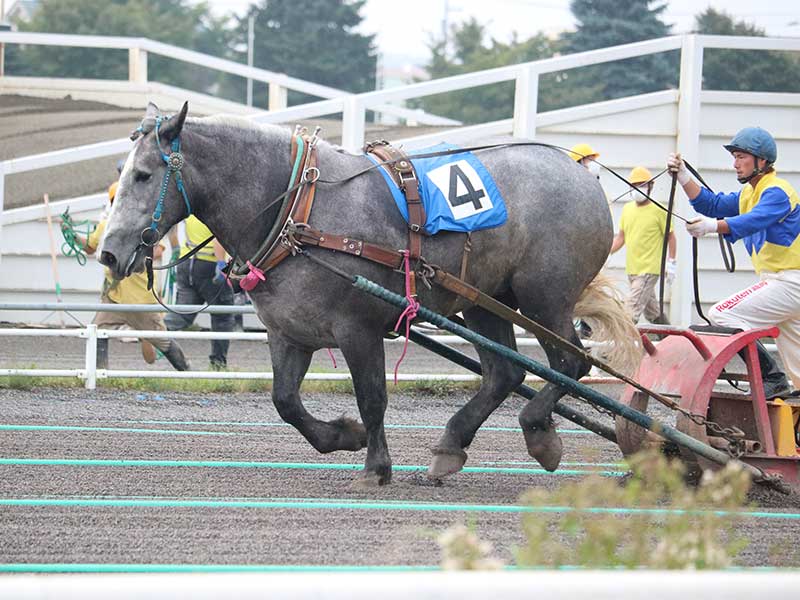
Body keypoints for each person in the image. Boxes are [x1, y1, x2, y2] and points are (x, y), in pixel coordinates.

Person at [668, 126, 799, 399]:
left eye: (741, 157)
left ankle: (771, 378)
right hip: (783, 285)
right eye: (735, 157)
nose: (735, 164)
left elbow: (754, 220)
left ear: (761, 161)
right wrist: (683, 177)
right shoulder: (750, 194)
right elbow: (712, 204)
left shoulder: (776, 192)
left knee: (723, 314)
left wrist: (712, 227)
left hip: (789, 282)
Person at [70, 181, 191, 371]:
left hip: (140, 301)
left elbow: (158, 251)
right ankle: (99, 374)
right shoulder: (105, 227)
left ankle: (187, 372)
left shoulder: (143, 228)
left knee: (162, 342)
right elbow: (90, 247)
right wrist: (73, 235)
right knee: (97, 332)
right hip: (115, 297)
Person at [165, 215, 234, 370]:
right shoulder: (215, 205)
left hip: (186, 261)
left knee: (183, 314)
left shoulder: (191, 207)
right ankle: (218, 365)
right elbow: (219, 235)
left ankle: (156, 332)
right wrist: (221, 263)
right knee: (222, 316)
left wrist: (176, 249)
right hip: (210, 263)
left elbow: (171, 225)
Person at [609, 166, 676, 324]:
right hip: (633, 269)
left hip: (649, 269)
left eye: (642, 185)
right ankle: (671, 340)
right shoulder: (627, 209)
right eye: (634, 186)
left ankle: (620, 347)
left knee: (630, 311)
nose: (638, 189)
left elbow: (671, 237)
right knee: (653, 312)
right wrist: (606, 252)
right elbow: (621, 238)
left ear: (651, 186)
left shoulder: (659, 210)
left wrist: (672, 262)